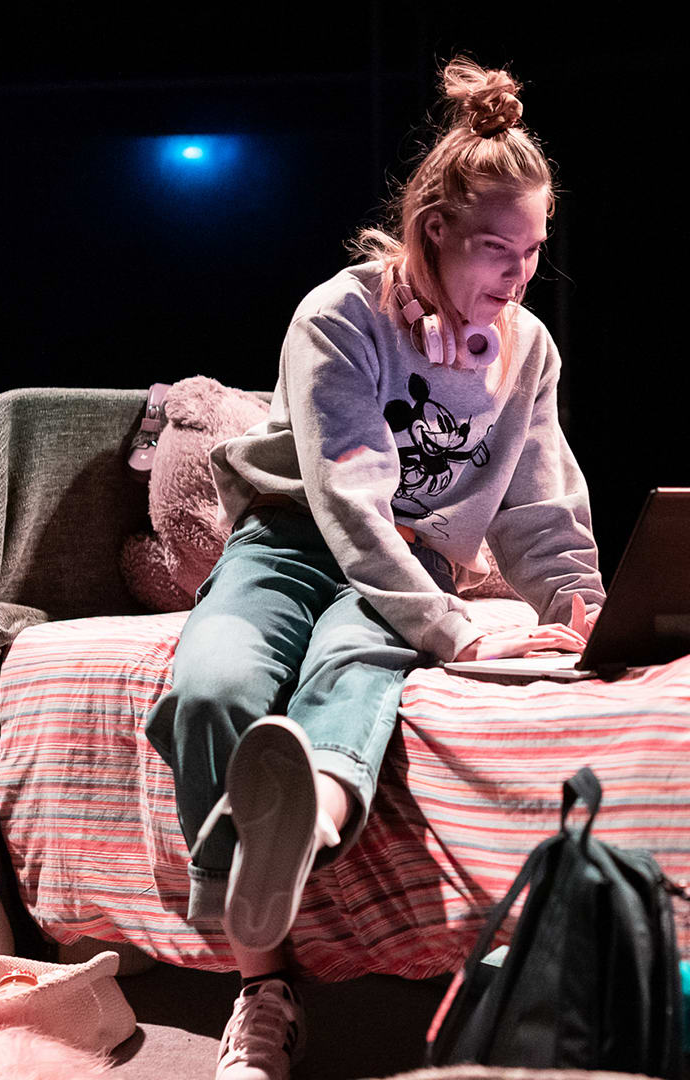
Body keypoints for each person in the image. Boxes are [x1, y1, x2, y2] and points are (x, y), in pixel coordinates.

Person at [145, 58, 604, 1080]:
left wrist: (584, 611)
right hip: (293, 541)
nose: (519, 275)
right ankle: (258, 966)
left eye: (533, 250)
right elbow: (350, 506)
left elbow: (538, 502)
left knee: (355, 663)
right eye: (496, 249)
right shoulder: (338, 317)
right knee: (215, 684)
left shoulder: (527, 349)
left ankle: (300, 828)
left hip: (417, 562)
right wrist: (458, 632)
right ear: (433, 230)